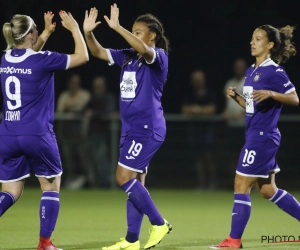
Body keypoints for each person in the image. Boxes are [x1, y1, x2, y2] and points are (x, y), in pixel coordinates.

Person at [83, 4, 172, 250]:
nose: (133, 35)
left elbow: (144, 49)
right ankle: (132, 241)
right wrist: (88, 33)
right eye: (132, 31)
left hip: (147, 128)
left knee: (123, 178)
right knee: (135, 185)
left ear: (152, 35)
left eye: (138, 31)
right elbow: (99, 52)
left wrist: (118, 27)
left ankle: (159, 223)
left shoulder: (158, 56)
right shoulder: (127, 56)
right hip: (131, 130)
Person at [0, 10, 89, 250]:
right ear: (30, 34)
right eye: (36, 29)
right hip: (37, 134)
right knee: (50, 186)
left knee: (11, 191)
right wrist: (74, 29)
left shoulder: (5, 58)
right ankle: (44, 244)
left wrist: (47, 32)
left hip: (7, 134)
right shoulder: (42, 59)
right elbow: (83, 56)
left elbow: (28, 56)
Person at [210, 24, 299, 249]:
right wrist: (236, 98)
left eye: (258, 39)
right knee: (268, 190)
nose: (252, 42)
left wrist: (271, 93)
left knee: (240, 184)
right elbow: (251, 106)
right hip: (256, 135)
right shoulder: (251, 71)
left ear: (270, 45)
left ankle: (234, 241)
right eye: (252, 38)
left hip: (262, 137)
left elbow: (294, 98)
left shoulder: (274, 71)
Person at [181, 69, 218, 190]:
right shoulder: (189, 94)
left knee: (208, 157)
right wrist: (202, 111)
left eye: (199, 79)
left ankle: (212, 183)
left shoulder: (210, 93)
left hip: (207, 131)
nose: (197, 82)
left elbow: (211, 109)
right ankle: (201, 184)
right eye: (195, 80)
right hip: (194, 130)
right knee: (198, 158)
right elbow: (184, 110)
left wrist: (196, 110)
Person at [56, 73, 91, 189]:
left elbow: (82, 108)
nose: (74, 85)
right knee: (68, 160)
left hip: (81, 133)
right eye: (72, 82)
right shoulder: (64, 95)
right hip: (66, 133)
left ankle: (91, 183)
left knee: (84, 159)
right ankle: (70, 182)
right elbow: (60, 110)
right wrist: (72, 108)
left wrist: (70, 107)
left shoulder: (84, 94)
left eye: (76, 83)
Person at [83, 75, 117, 188]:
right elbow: (85, 110)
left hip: (107, 135)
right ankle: (96, 184)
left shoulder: (109, 97)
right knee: (93, 160)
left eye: (100, 86)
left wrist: (93, 113)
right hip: (93, 134)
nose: (98, 89)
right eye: (96, 86)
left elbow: (108, 112)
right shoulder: (93, 98)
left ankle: (106, 184)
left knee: (103, 159)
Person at [222, 59, 247, 175]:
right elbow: (227, 103)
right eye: (237, 67)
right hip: (231, 126)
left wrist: (240, 114)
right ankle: (235, 181)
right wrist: (226, 112)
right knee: (231, 155)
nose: (239, 69)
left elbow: (250, 104)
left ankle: (249, 183)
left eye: (241, 67)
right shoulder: (229, 83)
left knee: (245, 156)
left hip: (244, 126)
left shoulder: (248, 82)